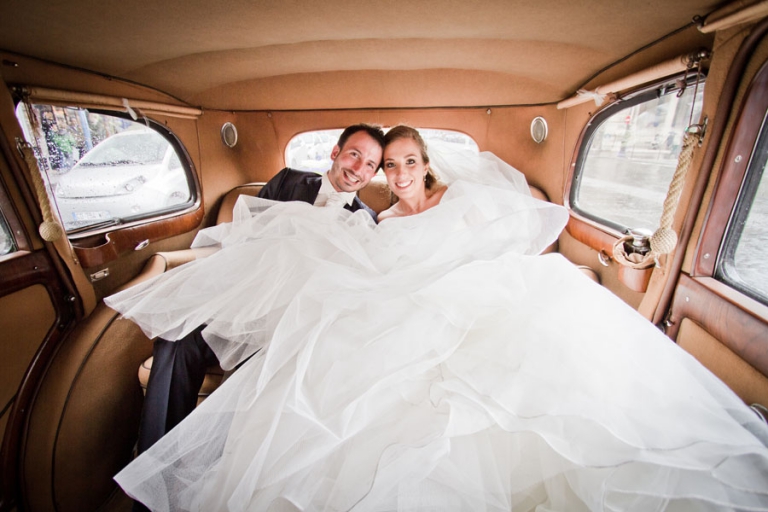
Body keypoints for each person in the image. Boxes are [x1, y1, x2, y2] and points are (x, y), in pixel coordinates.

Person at [106, 127, 768, 512]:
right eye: (377, 164)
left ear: (424, 164)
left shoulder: (424, 207)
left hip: (463, 294)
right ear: (343, 158)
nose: (388, 173)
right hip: (284, 295)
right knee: (185, 341)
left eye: (399, 163)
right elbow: (291, 251)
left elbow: (511, 239)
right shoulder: (329, 202)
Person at [122, 123, 385, 509]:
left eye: (371, 165)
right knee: (176, 343)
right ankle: (155, 483)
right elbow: (242, 243)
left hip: (295, 325)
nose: (358, 168)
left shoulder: (366, 220)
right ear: (335, 153)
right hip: (243, 306)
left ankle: (214, 486)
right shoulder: (288, 181)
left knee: (265, 378)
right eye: (354, 154)